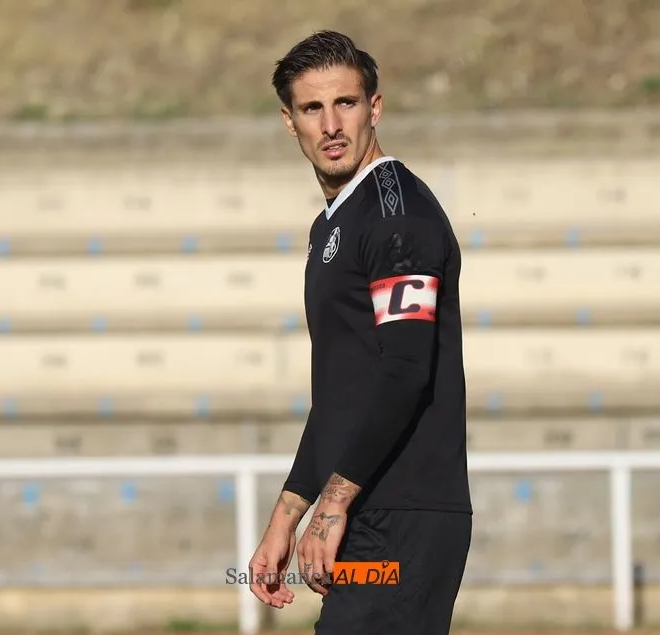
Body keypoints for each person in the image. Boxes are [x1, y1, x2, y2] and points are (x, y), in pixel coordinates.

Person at [247, 30, 472, 634]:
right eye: (311, 108)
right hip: (363, 507)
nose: (331, 125)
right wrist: (288, 514)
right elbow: (344, 393)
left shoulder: (397, 217)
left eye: (345, 103)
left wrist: (334, 504)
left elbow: (404, 371)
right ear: (290, 122)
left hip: (403, 514)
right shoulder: (333, 225)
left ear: (375, 108)